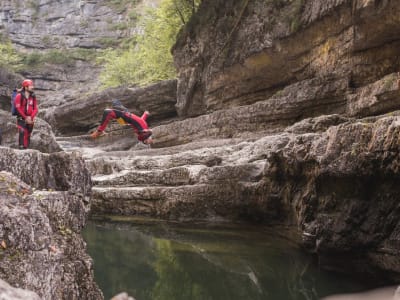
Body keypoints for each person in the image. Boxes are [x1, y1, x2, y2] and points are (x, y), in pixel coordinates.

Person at [15, 79, 38, 149]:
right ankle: (21, 148)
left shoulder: (33, 96)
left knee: (28, 134)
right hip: (21, 118)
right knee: (22, 132)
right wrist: (25, 118)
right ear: (26, 87)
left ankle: (26, 148)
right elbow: (18, 109)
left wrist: (31, 117)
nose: (32, 87)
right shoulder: (19, 96)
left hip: (30, 119)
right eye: (31, 86)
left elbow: (36, 109)